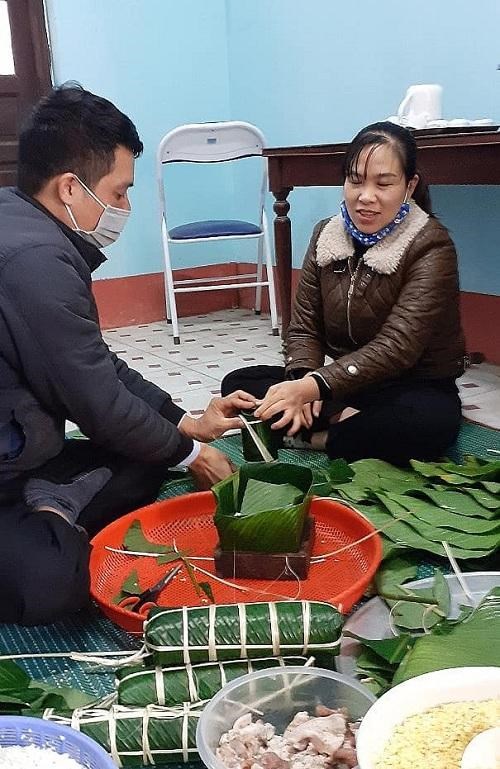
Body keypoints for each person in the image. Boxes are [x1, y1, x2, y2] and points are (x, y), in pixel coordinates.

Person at [0, 84, 255, 625]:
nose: (125, 209)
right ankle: (47, 515)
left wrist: (181, 422)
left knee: (150, 454)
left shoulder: (15, 218)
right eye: (118, 193)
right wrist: (191, 455)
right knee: (54, 587)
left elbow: (93, 365)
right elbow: (95, 402)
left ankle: (51, 503)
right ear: (71, 188)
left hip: (20, 446)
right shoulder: (36, 262)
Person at [222, 121, 466, 466]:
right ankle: (345, 427)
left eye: (384, 183)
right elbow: (305, 326)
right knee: (240, 384)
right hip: (347, 385)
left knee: (428, 422)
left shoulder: (431, 245)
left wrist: (313, 389)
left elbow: (397, 348)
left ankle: (319, 438)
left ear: (409, 186)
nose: (366, 197)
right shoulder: (327, 234)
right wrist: (303, 381)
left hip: (415, 385)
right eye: (355, 180)